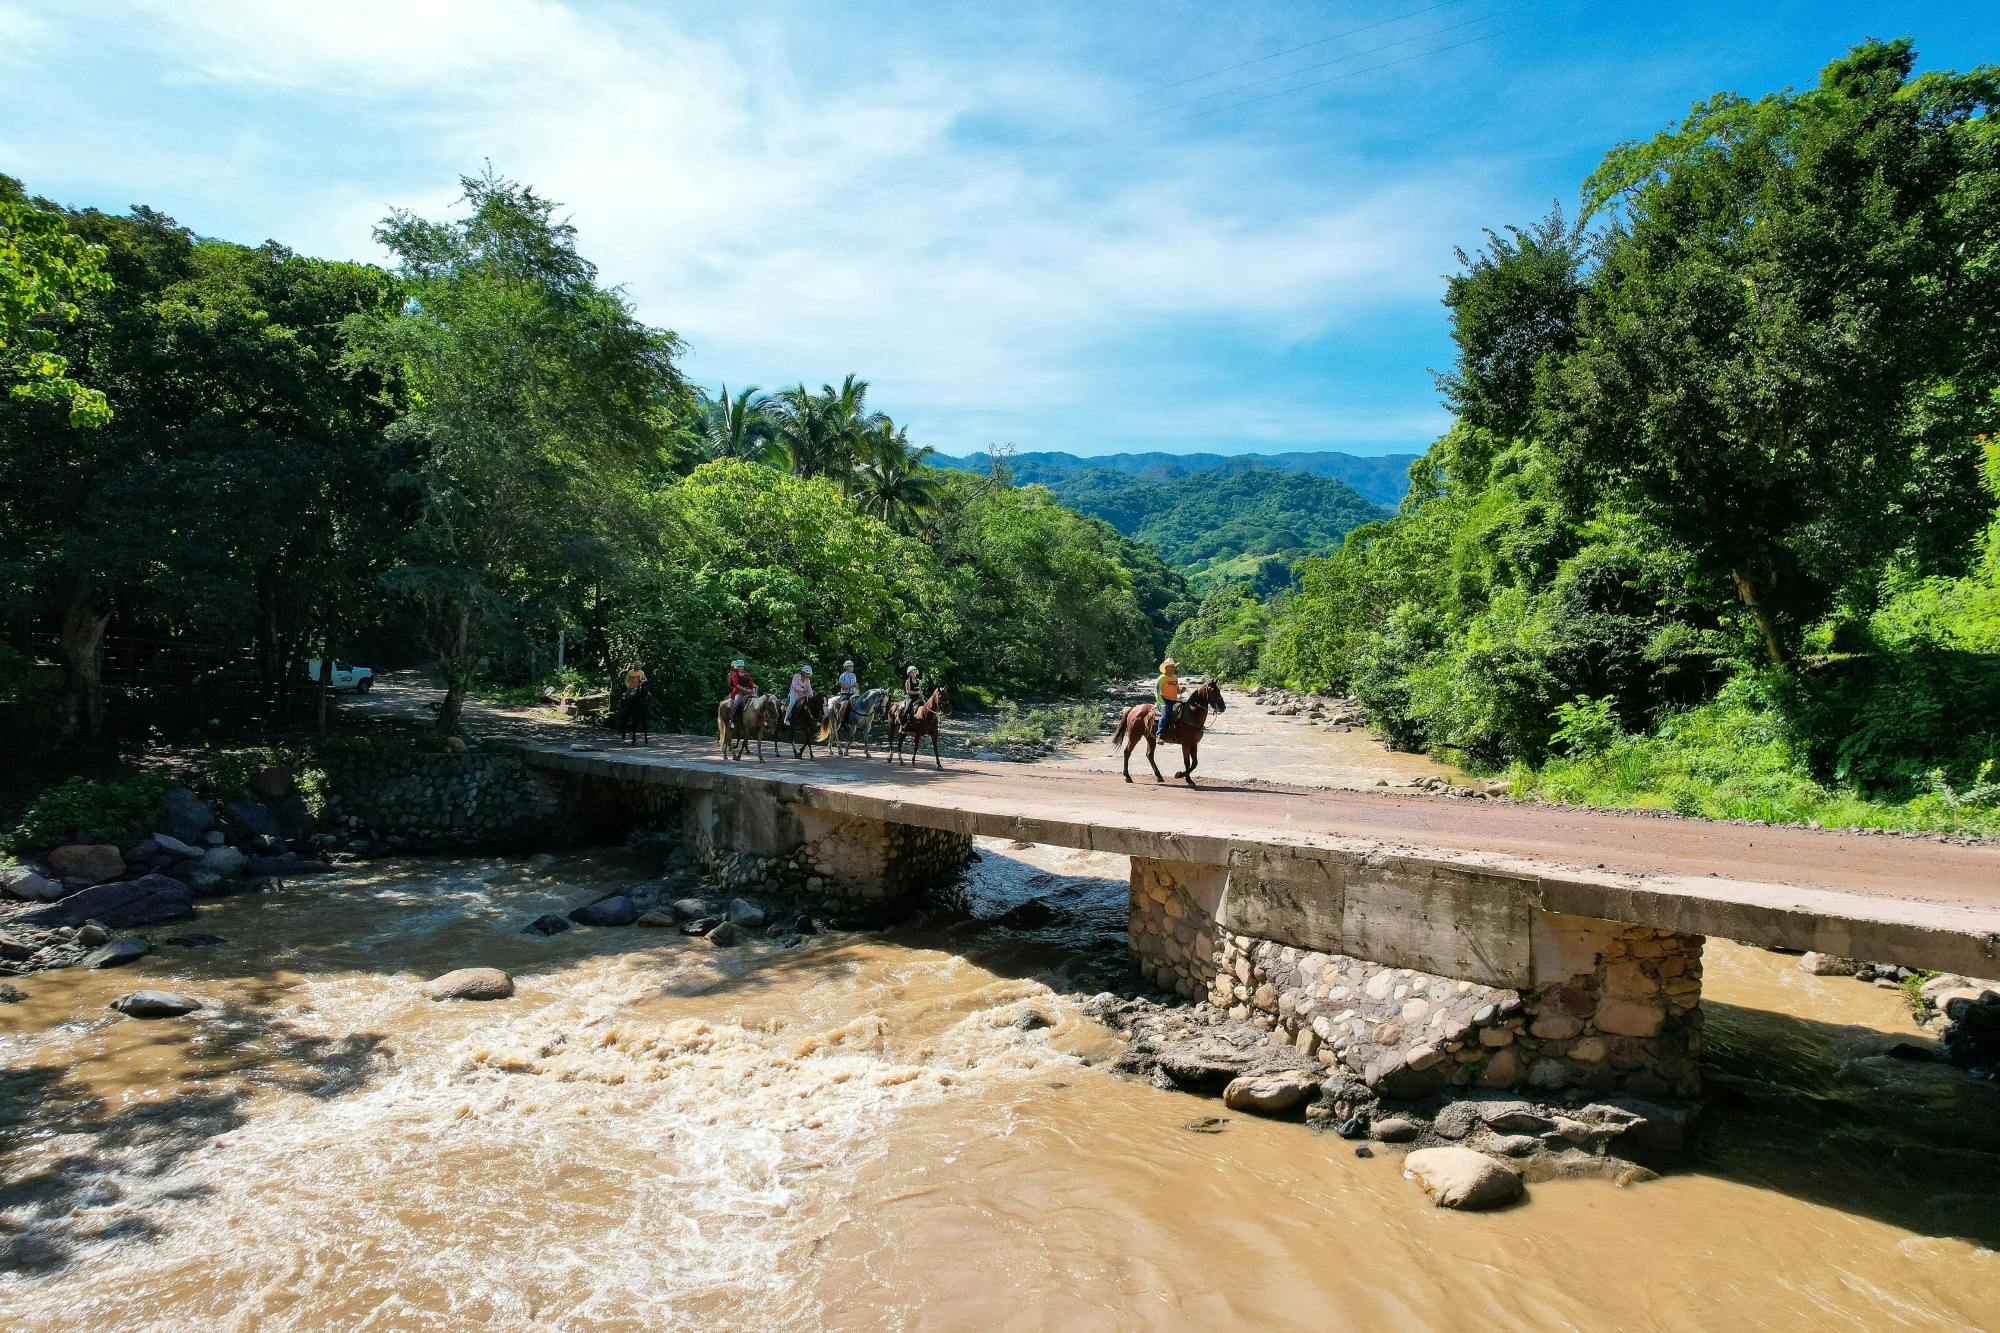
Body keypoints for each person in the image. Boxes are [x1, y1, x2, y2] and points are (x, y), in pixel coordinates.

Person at [622, 669, 652, 745]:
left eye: (639, 665)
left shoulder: (642, 672)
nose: (637, 667)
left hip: (641, 687)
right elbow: (626, 680)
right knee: (628, 697)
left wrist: (644, 683)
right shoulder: (630, 672)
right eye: (636, 665)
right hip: (632, 687)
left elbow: (645, 679)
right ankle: (627, 710)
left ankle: (648, 710)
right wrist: (628, 686)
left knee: (650, 696)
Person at [1154, 659, 1180, 742]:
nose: (1173, 669)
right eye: (1172, 667)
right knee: (1165, 715)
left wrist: (1182, 690)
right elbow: (1156, 692)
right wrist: (1162, 703)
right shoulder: (1161, 678)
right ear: (1166, 667)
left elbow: (1178, 690)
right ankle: (1159, 735)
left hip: (1174, 700)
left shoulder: (1175, 677)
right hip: (1164, 700)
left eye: (1174, 667)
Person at [727, 657, 756, 728]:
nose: (741, 668)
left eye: (742, 666)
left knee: (759, 701)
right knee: (735, 704)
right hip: (738, 692)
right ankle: (730, 720)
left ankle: (762, 719)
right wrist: (746, 690)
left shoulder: (747, 674)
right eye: (739, 666)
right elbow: (736, 685)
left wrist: (753, 686)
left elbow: (750, 682)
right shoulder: (734, 675)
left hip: (748, 692)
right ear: (737, 667)